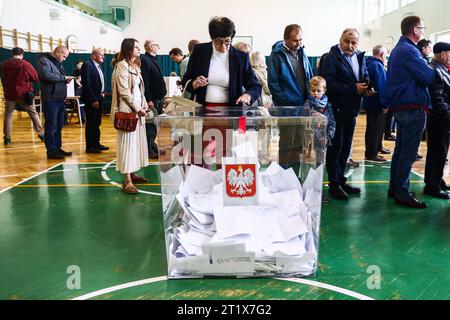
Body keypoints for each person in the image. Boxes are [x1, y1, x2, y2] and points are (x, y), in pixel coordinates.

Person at [182, 16, 261, 166]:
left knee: (227, 154)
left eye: (228, 41)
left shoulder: (241, 57)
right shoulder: (200, 51)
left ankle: (224, 185)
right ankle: (201, 185)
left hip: (231, 112)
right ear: (212, 38)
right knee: (201, 154)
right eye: (220, 42)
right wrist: (194, 83)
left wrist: (247, 95)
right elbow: (186, 79)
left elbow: (255, 86)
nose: (224, 46)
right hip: (204, 110)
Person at [386, 16, 435, 209]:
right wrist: (429, 66)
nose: (423, 31)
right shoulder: (409, 51)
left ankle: (395, 187)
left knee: (401, 150)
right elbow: (428, 76)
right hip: (411, 107)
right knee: (408, 152)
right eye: (422, 28)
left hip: (403, 106)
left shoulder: (401, 49)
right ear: (415, 30)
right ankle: (402, 192)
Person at [320, 28, 374, 201]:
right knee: (336, 147)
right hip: (336, 109)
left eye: (354, 43)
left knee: (346, 148)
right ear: (340, 40)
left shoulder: (360, 56)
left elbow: (363, 75)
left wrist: (366, 89)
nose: (350, 45)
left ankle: (341, 180)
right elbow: (329, 83)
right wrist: (353, 89)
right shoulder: (331, 58)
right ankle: (334, 184)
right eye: (346, 41)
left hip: (352, 108)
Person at [268, 24, 314, 173]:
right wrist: (286, 103)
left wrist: (310, 99)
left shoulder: (302, 52)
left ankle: (294, 176)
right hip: (287, 108)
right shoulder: (277, 56)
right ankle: (283, 176)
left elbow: (309, 76)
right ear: (285, 39)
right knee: (287, 145)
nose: (299, 43)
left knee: (299, 145)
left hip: (303, 106)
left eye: (301, 39)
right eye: (295, 40)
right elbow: (273, 84)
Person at [110, 38, 149, 194]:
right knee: (127, 145)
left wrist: (145, 103)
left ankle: (133, 173)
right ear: (128, 49)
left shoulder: (135, 66)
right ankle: (127, 181)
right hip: (128, 112)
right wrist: (138, 108)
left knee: (136, 144)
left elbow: (139, 90)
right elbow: (124, 91)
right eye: (136, 47)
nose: (139, 50)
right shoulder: (122, 66)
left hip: (138, 111)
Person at [1, 47, 44, 145]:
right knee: (33, 113)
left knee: (8, 115)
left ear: (12, 54)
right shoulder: (25, 64)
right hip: (24, 94)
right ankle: (41, 134)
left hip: (9, 94)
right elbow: (35, 77)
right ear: (22, 54)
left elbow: (3, 78)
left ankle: (7, 138)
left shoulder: (4, 65)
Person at [424, 42, 450, 199]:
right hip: (439, 118)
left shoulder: (439, 69)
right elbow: (437, 97)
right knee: (438, 151)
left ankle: (435, 180)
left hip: (440, 117)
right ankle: (432, 186)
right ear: (442, 54)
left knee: (437, 151)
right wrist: (447, 114)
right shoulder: (435, 70)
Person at [37, 45, 73, 159]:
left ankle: (57, 148)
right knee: (51, 126)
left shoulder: (58, 64)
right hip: (50, 99)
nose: (64, 59)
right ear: (58, 52)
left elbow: (58, 77)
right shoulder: (44, 61)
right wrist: (63, 78)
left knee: (59, 125)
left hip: (59, 99)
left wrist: (65, 80)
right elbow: (46, 75)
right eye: (64, 56)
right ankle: (51, 151)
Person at [141, 39, 167, 159]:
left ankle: (151, 145)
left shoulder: (151, 59)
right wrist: (148, 99)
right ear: (150, 47)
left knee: (155, 125)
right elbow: (145, 82)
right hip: (153, 99)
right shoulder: (145, 60)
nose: (159, 47)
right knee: (150, 125)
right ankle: (148, 149)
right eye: (156, 45)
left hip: (158, 98)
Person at [363, 45, 389, 162]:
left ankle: (377, 147)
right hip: (377, 102)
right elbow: (382, 86)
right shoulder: (377, 65)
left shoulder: (369, 63)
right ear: (382, 54)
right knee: (375, 128)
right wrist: (385, 104)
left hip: (370, 101)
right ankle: (371, 153)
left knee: (375, 127)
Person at [303, 76, 336, 166]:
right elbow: (305, 121)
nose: (316, 93)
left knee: (320, 162)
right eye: (313, 91)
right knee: (306, 163)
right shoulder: (307, 105)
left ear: (324, 91)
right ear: (309, 90)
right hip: (309, 140)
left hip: (323, 140)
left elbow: (332, 123)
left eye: (318, 91)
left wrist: (328, 137)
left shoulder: (328, 106)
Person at [81, 48, 109, 154]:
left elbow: (99, 81)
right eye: (101, 55)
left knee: (97, 123)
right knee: (91, 123)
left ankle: (96, 143)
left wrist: (103, 92)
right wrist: (93, 99)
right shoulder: (87, 65)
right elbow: (87, 84)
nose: (103, 57)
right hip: (92, 99)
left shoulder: (97, 66)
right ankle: (90, 146)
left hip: (99, 97)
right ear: (94, 56)